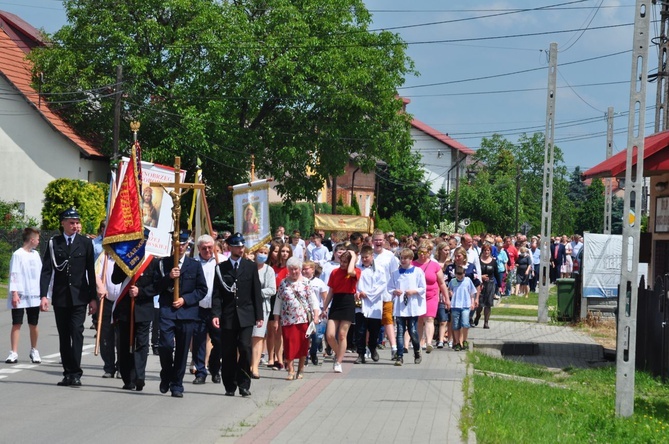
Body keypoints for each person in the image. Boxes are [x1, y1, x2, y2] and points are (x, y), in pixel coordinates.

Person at [39, 207, 98, 387]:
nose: (75, 225)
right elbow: (47, 271)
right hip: (61, 297)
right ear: (63, 223)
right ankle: (68, 373)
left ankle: (76, 372)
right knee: (64, 336)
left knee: (76, 332)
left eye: (77, 222)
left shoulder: (86, 243)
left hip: (80, 296)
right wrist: (43, 295)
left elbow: (91, 272)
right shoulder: (53, 243)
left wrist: (93, 298)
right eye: (71, 222)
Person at [154, 230, 207, 398]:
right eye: (177, 244)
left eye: (183, 244)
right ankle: (166, 375)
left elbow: (202, 289)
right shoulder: (163, 263)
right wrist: (169, 277)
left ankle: (177, 384)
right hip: (168, 311)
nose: (180, 247)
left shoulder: (194, 265)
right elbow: (155, 287)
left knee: (183, 350)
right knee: (165, 346)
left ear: (187, 246)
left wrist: (185, 299)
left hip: (186, 312)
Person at [211, 233, 264, 397]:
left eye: (242, 246)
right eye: (237, 246)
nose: (240, 249)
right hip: (228, 315)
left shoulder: (250, 266)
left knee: (245, 348)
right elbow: (217, 294)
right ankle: (230, 385)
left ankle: (244, 383)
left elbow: (256, 292)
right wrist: (216, 314)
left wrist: (259, 315)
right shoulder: (221, 268)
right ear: (230, 247)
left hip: (246, 315)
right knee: (228, 352)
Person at [110, 240, 159, 391]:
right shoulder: (124, 258)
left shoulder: (152, 261)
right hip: (125, 309)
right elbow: (115, 279)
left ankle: (139, 376)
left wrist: (141, 292)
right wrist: (123, 264)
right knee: (124, 344)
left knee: (142, 344)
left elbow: (157, 286)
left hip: (143, 308)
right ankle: (128, 378)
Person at [273, 257, 320, 380]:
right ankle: (291, 370)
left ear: (300, 269)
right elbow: (278, 302)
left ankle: (300, 369)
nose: (294, 272)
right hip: (287, 319)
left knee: (303, 345)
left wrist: (316, 315)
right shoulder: (283, 283)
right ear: (288, 269)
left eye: (296, 269)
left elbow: (313, 300)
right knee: (289, 344)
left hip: (303, 319)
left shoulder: (306, 282)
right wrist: (276, 320)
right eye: (291, 269)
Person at [6, 227, 42, 364]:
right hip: (20, 295)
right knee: (17, 323)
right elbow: (14, 273)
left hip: (34, 294)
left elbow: (40, 273)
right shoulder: (18, 254)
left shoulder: (35, 255)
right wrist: (14, 293)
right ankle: (13, 352)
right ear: (32, 239)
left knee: (33, 323)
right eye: (37, 239)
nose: (39, 242)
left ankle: (34, 349)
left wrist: (43, 294)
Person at [321, 249, 359, 373]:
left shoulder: (355, 271)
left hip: (348, 301)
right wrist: (325, 307)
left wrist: (353, 256)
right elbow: (331, 291)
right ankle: (339, 354)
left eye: (345, 262)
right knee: (330, 335)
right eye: (341, 261)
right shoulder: (334, 272)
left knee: (342, 335)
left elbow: (349, 271)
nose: (342, 264)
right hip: (336, 301)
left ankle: (338, 362)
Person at [191, 234, 223, 384]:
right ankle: (200, 372)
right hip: (198, 308)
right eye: (204, 248)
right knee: (198, 341)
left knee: (219, 341)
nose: (207, 250)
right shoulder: (193, 263)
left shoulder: (221, 260)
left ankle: (215, 369)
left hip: (216, 310)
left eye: (210, 247)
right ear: (198, 249)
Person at [388, 248, 427, 366]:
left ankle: (416, 351)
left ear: (411, 259)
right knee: (400, 331)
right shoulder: (396, 273)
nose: (403, 260)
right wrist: (395, 291)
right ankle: (399, 356)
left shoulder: (418, 271)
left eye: (405, 258)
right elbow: (389, 287)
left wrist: (414, 291)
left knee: (412, 330)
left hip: (412, 306)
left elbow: (422, 287)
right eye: (401, 258)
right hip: (400, 306)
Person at [412, 241, 448, 353]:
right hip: (417, 296)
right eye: (420, 252)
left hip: (431, 295)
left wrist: (446, 298)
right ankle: (419, 342)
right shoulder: (412, 264)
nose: (422, 254)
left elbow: (441, 283)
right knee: (419, 320)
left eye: (424, 252)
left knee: (429, 318)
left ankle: (428, 342)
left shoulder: (434, 265)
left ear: (429, 253)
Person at [370, 229, 400, 359]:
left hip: (386, 294)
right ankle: (368, 347)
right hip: (371, 295)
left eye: (380, 240)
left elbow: (395, 275)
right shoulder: (367, 255)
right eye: (376, 240)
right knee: (370, 322)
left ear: (384, 241)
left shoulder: (390, 256)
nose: (378, 242)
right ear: (372, 241)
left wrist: (395, 290)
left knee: (388, 320)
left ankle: (393, 347)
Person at [354, 245, 386, 364]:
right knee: (360, 330)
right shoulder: (357, 269)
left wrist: (368, 294)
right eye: (362, 257)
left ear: (372, 256)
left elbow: (382, 285)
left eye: (366, 257)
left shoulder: (379, 269)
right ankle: (361, 354)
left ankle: (372, 348)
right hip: (360, 303)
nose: (364, 259)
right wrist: (357, 293)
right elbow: (354, 284)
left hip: (374, 303)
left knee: (374, 330)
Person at [250, 245, 276, 379]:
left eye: (265, 253)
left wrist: (256, 294)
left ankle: (254, 366)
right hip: (247, 307)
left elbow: (272, 289)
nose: (263, 255)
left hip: (263, 307)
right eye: (261, 252)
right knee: (245, 337)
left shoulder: (269, 270)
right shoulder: (248, 267)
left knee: (258, 337)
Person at [266, 241, 291, 370]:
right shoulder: (273, 268)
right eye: (282, 251)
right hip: (274, 298)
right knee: (272, 330)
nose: (285, 254)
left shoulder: (292, 268)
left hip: (287, 300)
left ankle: (283, 358)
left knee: (283, 332)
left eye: (287, 251)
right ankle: (273, 358)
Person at [301, 260, 328, 365]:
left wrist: (325, 310)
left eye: (306, 269)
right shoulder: (300, 281)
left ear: (312, 270)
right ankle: (305, 356)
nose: (304, 271)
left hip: (317, 313)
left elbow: (325, 298)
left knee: (316, 337)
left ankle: (313, 352)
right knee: (305, 337)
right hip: (303, 313)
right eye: (302, 269)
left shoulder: (319, 282)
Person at [448, 265, 477, 351]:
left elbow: (472, 292)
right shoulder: (453, 281)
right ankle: (457, 342)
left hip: (465, 305)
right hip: (455, 305)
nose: (460, 277)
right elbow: (449, 289)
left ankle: (464, 340)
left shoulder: (468, 281)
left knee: (465, 323)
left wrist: (472, 302)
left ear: (465, 274)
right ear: (455, 274)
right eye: (458, 275)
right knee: (456, 325)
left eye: (462, 275)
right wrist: (450, 293)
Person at [473, 243, 501, 329]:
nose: (486, 252)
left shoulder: (493, 261)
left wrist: (499, 286)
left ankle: (486, 322)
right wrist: (480, 277)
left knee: (488, 304)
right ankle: (477, 316)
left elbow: (496, 274)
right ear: (482, 251)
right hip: (480, 284)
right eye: (485, 250)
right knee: (480, 304)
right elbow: (474, 272)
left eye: (488, 250)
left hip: (490, 283)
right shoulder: (478, 260)